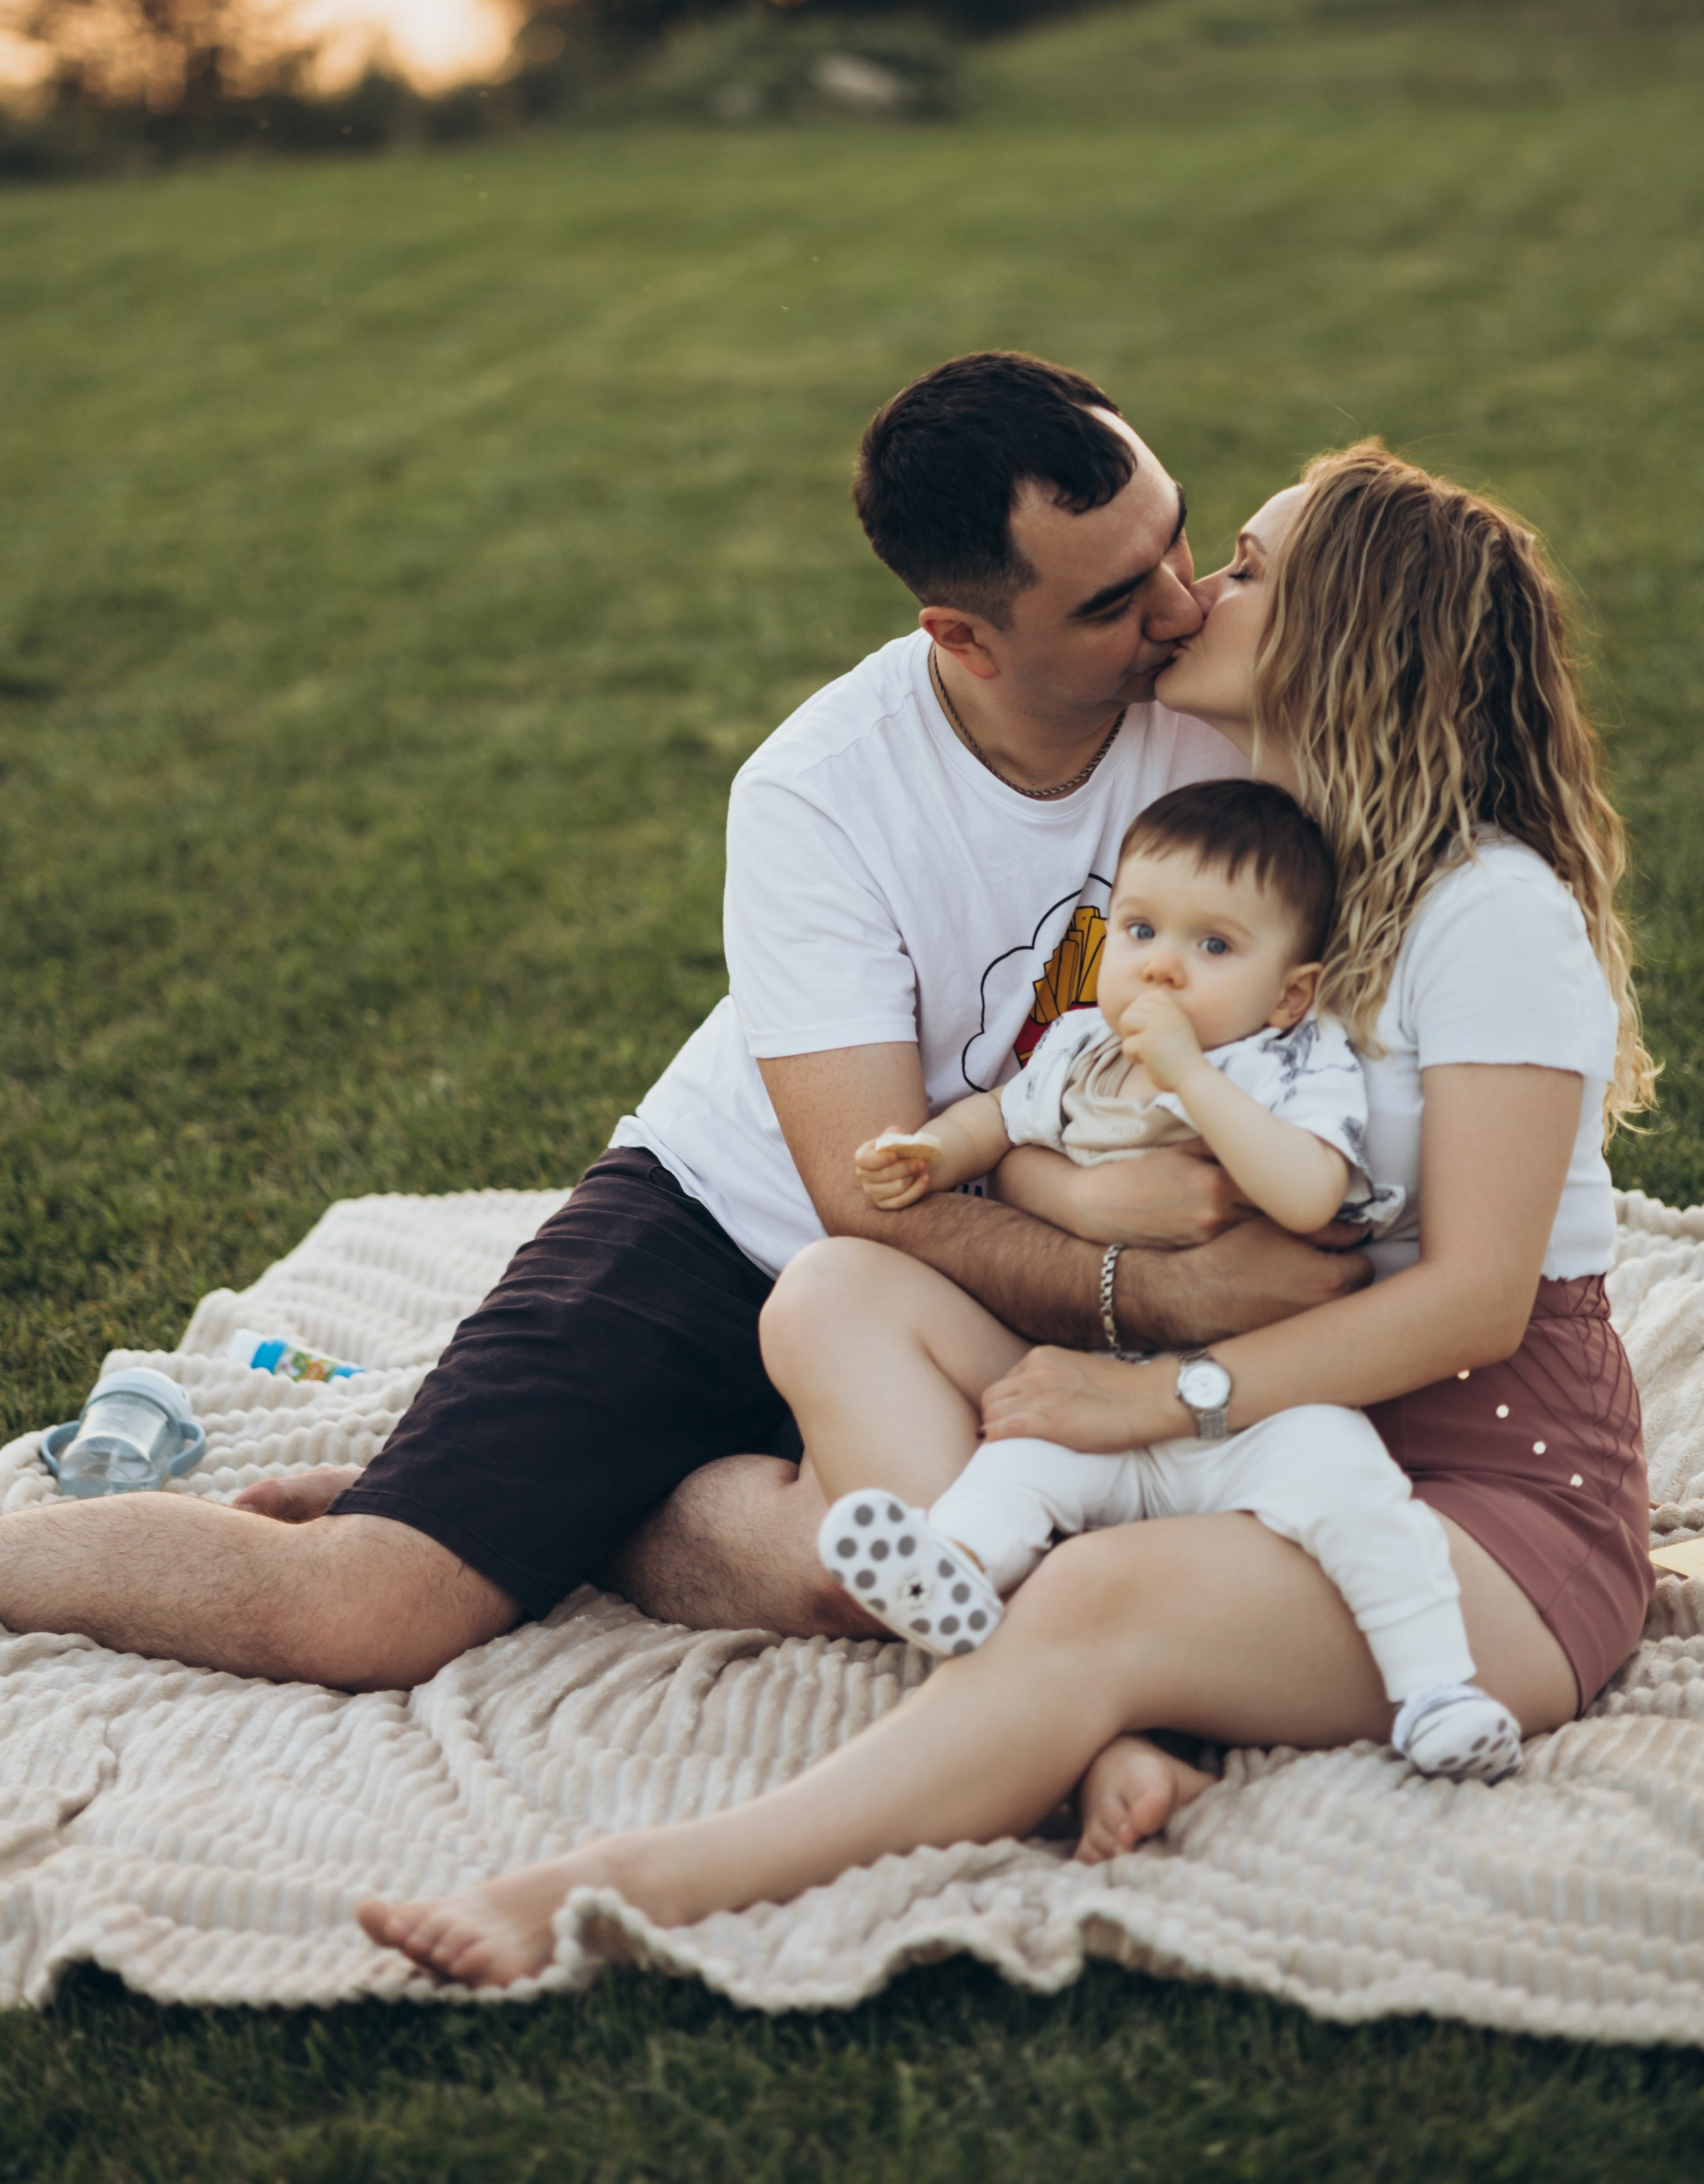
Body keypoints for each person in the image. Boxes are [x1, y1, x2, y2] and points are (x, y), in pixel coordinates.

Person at [359, 439, 1655, 1988]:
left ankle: (639, 1879)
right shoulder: (1292, 869)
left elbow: (1474, 1306)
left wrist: (1147, 1397)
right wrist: (1072, 1208)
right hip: (1275, 1431)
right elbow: (1082, 1104)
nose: (1195, 595)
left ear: (1352, 636)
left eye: (1245, 568)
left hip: (1477, 1505)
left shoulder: (1484, 909)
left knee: (1091, 1589)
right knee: (834, 1292)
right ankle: (1086, 1722)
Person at [0, 355, 1361, 1687]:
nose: (1182, 609)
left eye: (1179, 540)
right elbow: (862, 1193)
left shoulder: (1222, 716)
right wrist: (1159, 1290)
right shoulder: (819, 790)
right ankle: (524, 1507)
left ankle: (591, 1508)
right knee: (365, 1611)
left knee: (902, 1577)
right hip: (727, 1228)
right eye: (1115, 601)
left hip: (986, 1264)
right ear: (962, 636)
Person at [817, 777, 1522, 1784]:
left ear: (1289, 993)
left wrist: (1193, 1077)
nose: (1162, 967)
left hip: (1260, 1410)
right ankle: (952, 1573)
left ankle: (1437, 1691)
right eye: (1141, 930)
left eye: (1214, 946)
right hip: (1101, 1389)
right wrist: (930, 1153)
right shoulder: (1079, 1047)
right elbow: (1002, 1119)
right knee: (1015, 1467)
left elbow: (1309, 1194)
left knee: (1356, 1496)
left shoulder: (1292, 1062)